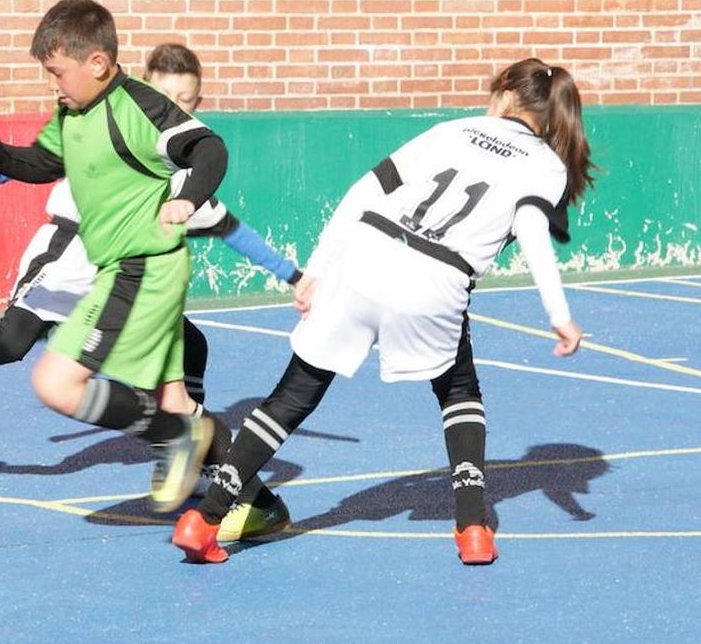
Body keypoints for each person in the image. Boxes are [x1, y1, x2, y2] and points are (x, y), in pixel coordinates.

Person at [173, 57, 596, 565]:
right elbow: (531, 231)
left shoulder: (454, 130)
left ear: (505, 92)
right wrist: (558, 312)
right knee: (458, 390)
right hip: (437, 276)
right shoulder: (547, 165)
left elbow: (365, 190)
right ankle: (474, 528)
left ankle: (204, 519)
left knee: (294, 393)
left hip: (364, 253)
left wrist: (317, 269)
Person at [0, 40, 296, 538]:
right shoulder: (111, 120)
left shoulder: (177, 172)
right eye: (169, 98)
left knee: (186, 364)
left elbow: (231, 226)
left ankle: (230, 486)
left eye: (187, 102)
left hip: (128, 273)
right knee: (10, 345)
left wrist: (294, 276)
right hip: (70, 257)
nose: (177, 110)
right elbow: (47, 160)